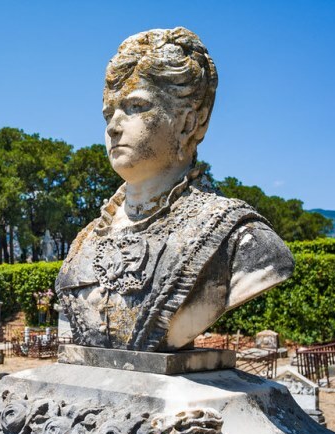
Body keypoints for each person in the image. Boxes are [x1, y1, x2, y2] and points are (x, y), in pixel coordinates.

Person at [56, 27, 294, 352]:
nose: (113, 126)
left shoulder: (240, 239)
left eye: (136, 107)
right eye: (109, 114)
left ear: (188, 123)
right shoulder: (86, 240)